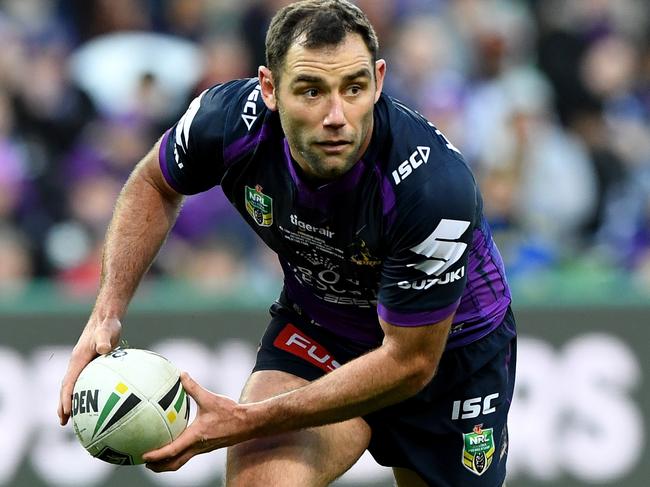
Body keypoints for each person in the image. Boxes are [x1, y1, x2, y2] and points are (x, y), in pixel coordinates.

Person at [58, 1, 516, 485]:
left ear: (379, 80)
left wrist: (249, 418)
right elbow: (155, 183)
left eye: (355, 89)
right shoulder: (228, 121)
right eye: (311, 90)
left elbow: (410, 362)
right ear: (270, 88)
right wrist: (106, 311)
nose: (337, 115)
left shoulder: (433, 188)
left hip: (448, 353)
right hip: (322, 330)